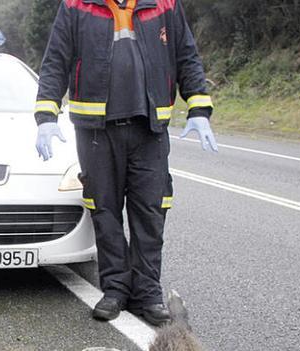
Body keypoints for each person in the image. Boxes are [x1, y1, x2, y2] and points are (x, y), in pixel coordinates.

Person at [34, 0, 218, 324]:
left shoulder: (164, 4)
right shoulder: (76, 5)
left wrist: (199, 108)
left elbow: (186, 55)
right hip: (95, 131)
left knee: (150, 213)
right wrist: (46, 114)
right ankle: (115, 289)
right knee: (105, 212)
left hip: (150, 129)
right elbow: (56, 61)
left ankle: (148, 294)